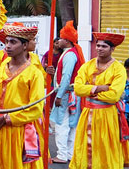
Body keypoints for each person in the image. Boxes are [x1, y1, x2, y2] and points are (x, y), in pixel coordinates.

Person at [0, 23, 44, 169]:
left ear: (25, 45)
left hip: (18, 131)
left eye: (13, 42)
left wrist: (7, 119)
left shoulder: (34, 74)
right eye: (7, 42)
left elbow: (36, 109)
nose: (8, 46)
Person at [70, 32, 129, 169]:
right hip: (87, 115)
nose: (99, 48)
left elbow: (114, 96)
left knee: (106, 148)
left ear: (112, 49)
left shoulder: (118, 69)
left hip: (108, 116)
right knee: (84, 148)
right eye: (98, 45)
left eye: (104, 46)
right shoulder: (87, 66)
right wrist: (100, 88)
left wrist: (89, 91)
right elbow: (78, 89)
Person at [50, 21, 85, 164]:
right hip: (71, 94)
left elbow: (66, 77)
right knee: (71, 124)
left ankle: (62, 154)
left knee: (61, 124)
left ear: (67, 40)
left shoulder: (70, 55)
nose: (58, 41)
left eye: (61, 38)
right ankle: (69, 154)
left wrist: (58, 96)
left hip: (66, 95)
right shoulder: (71, 53)